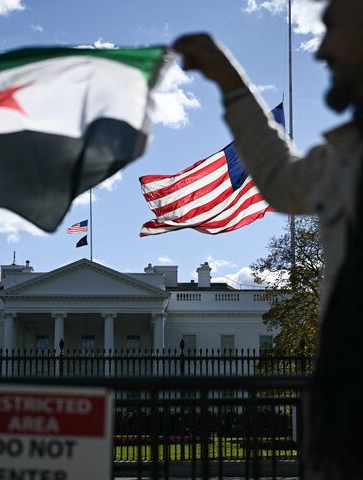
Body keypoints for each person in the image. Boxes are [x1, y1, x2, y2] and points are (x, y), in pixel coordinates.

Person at [173, 0, 363, 478]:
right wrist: (230, 83)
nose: (320, 52)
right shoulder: (344, 157)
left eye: (332, 29)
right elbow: (281, 180)